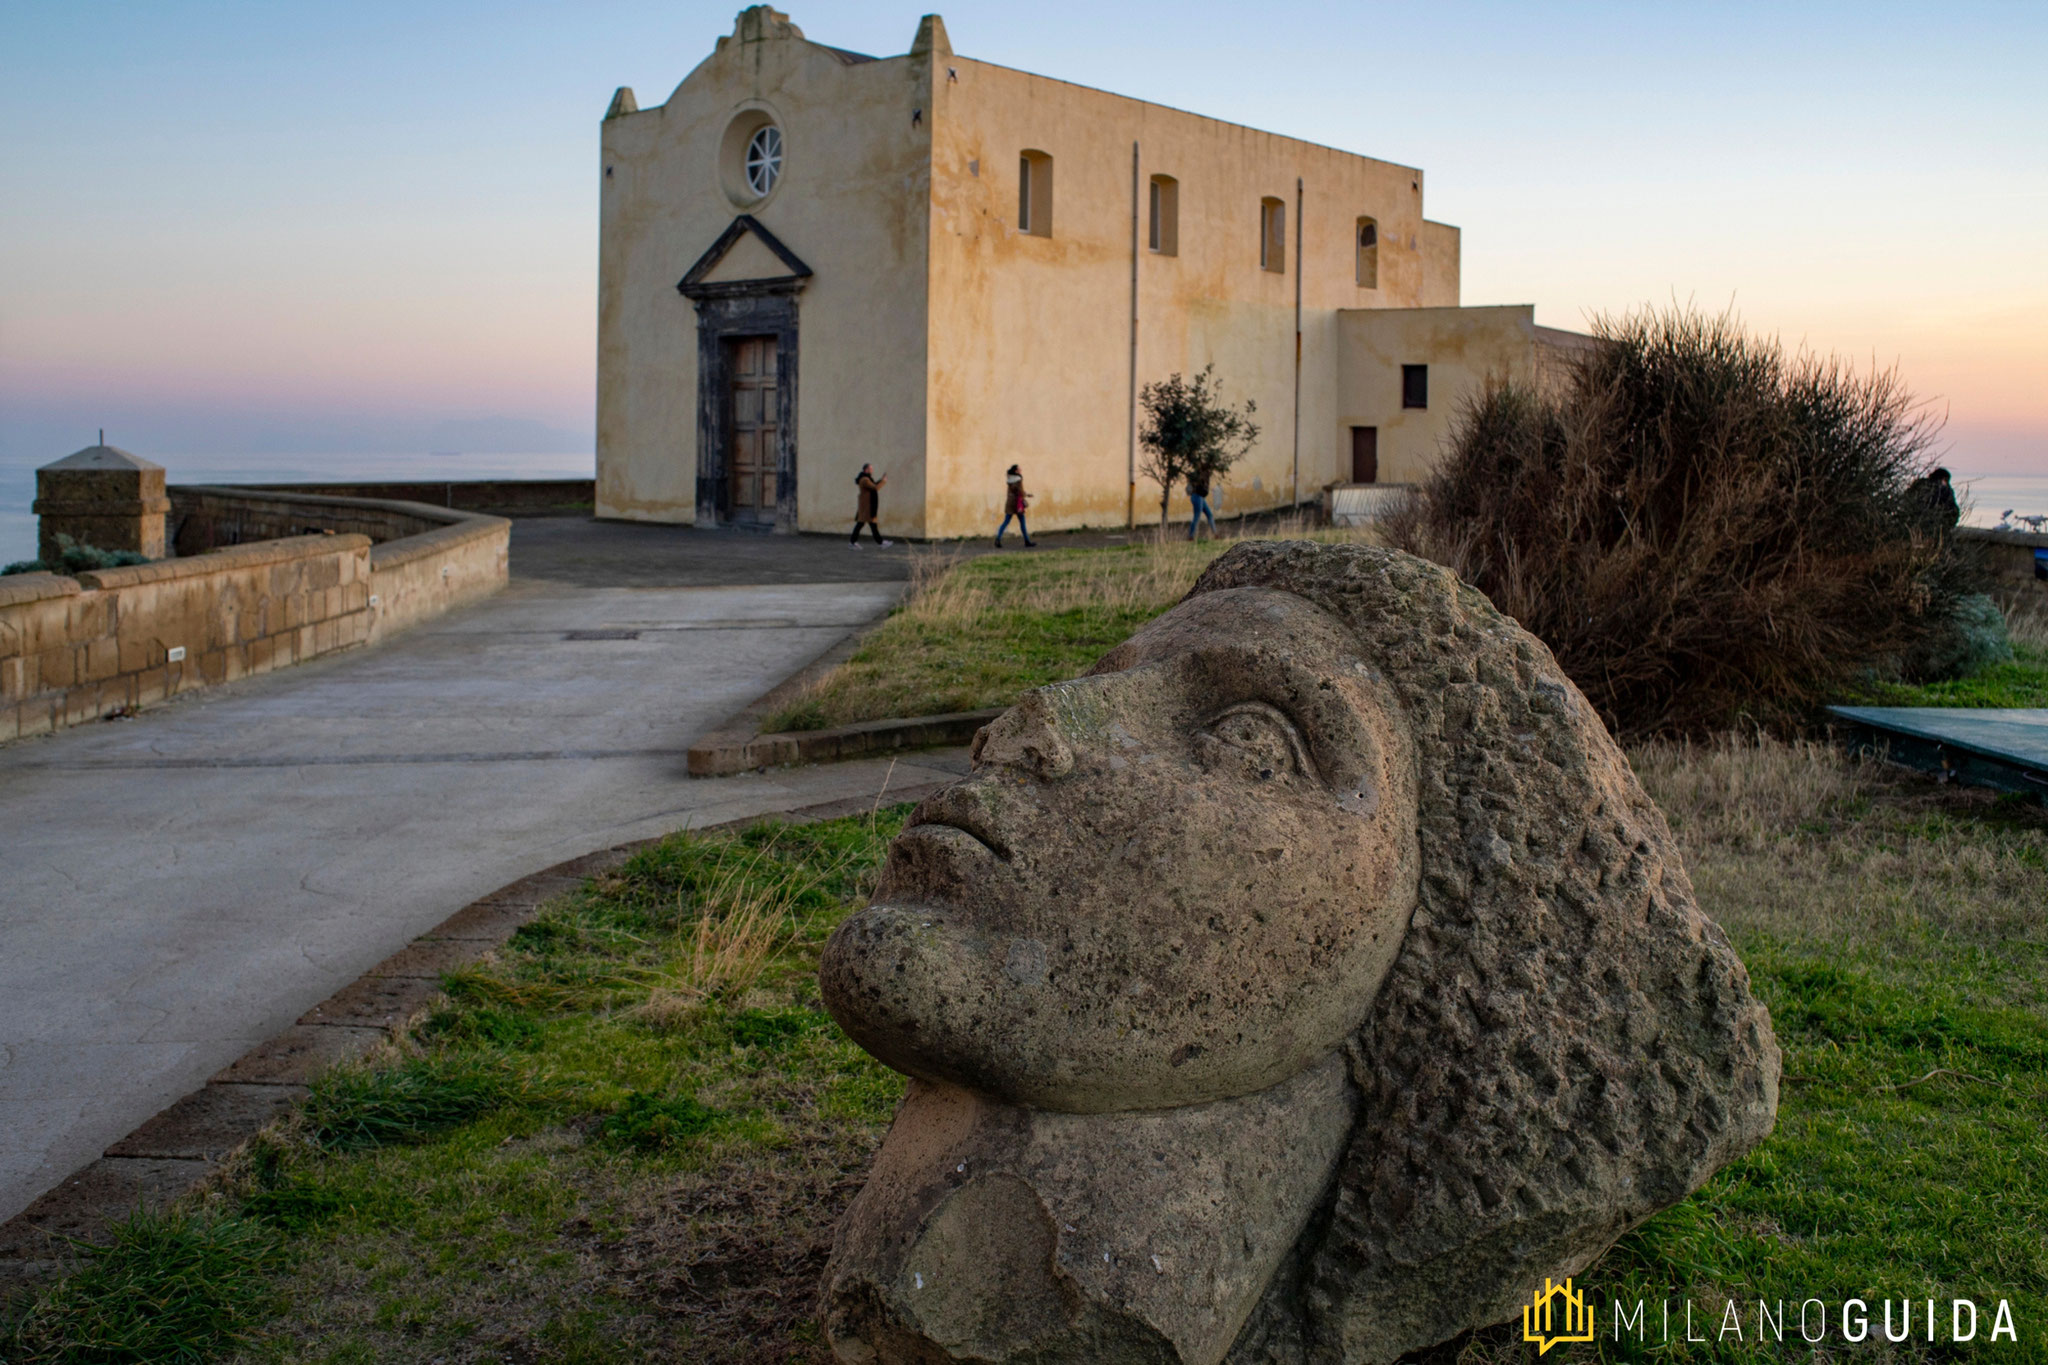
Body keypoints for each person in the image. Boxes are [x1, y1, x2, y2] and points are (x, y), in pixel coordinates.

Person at [1905, 466, 1960, 534]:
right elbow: (1952, 510)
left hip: (1911, 525)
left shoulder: (1919, 485)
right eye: (1946, 480)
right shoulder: (1945, 490)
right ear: (1943, 479)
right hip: (1936, 527)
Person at [851, 464, 890, 549]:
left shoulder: (867, 479)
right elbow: (875, 487)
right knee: (862, 524)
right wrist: (883, 481)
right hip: (867, 507)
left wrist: (881, 480)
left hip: (867, 506)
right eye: (870, 469)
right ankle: (853, 542)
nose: (872, 470)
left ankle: (880, 542)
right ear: (866, 470)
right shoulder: (865, 480)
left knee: (869, 525)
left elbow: (874, 485)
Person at [996, 464, 1036, 547]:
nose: (1021, 469)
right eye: (1019, 469)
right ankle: (1027, 541)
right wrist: (1027, 495)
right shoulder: (1019, 479)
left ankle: (998, 539)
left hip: (1010, 503)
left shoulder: (1009, 479)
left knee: (1005, 522)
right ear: (1016, 471)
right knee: (1022, 523)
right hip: (1018, 504)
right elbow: (1020, 491)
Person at [1187, 465, 1219, 539]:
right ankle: (1191, 536)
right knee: (1197, 517)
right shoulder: (1199, 476)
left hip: (1200, 497)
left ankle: (1215, 534)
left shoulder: (1201, 475)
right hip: (1197, 497)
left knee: (1209, 515)